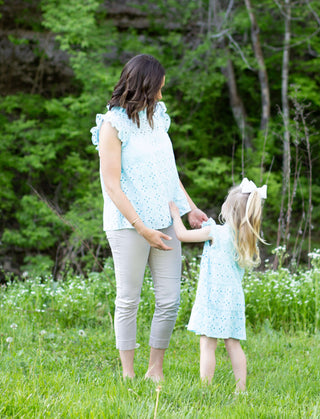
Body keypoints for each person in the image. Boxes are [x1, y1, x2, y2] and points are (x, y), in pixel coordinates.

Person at [90, 54, 207, 381]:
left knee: (169, 300)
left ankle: (154, 369)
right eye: (158, 86)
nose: (162, 93)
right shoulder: (112, 125)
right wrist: (142, 228)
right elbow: (111, 185)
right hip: (128, 225)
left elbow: (167, 173)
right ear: (143, 85)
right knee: (128, 299)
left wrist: (190, 208)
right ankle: (128, 373)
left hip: (164, 219)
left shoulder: (158, 117)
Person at [169, 178, 267, 392]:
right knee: (233, 343)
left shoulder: (216, 233)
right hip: (233, 300)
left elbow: (182, 235)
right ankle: (241, 390)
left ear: (229, 208)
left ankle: (206, 388)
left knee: (207, 344)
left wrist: (176, 215)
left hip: (213, 297)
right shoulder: (243, 238)